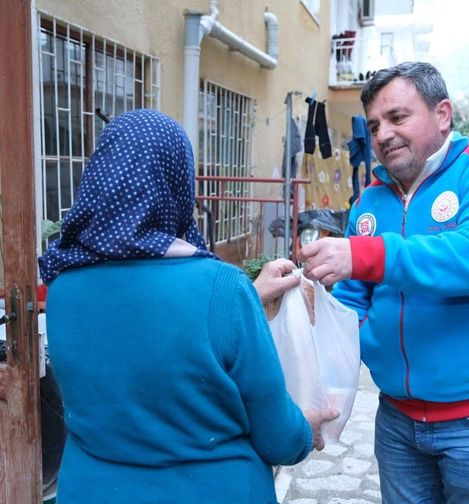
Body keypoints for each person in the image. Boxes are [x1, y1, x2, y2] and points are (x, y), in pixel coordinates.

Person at [39, 109, 333, 503]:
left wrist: (248, 297)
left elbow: (137, 331)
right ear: (176, 184)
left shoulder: (61, 286)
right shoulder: (222, 290)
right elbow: (279, 437)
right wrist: (306, 427)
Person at [299, 62, 469, 503]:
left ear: (443, 114)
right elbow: (354, 301)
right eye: (374, 126)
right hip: (397, 418)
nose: (383, 135)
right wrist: (319, 331)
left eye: (397, 117)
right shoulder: (369, 201)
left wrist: (366, 255)